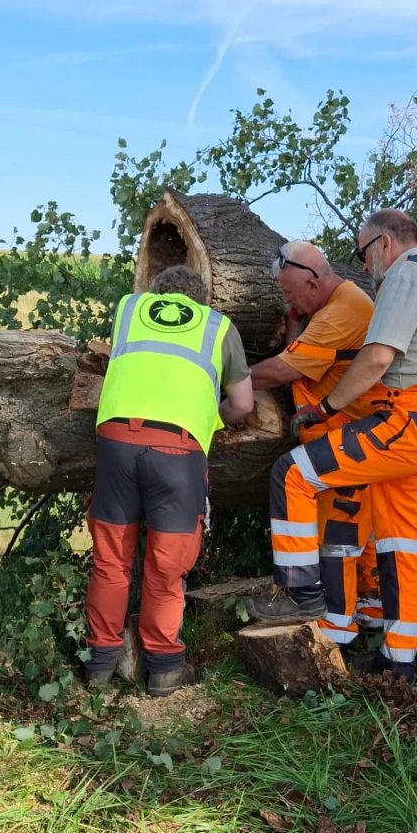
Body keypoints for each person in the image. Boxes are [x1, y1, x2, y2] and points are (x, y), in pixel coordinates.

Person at [263, 209, 417, 682]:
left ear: (383, 243)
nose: (364, 266)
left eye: (363, 254)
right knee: (402, 545)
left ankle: (299, 593)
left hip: (404, 420)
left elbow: (378, 356)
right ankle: (398, 664)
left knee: (294, 473)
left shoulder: (406, 273)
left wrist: (327, 409)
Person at [84, 265, 254, 696]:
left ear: (157, 294)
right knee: (166, 565)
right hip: (178, 454)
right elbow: (244, 404)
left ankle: (100, 665)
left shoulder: (128, 309)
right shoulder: (217, 327)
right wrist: (210, 417)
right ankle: (163, 669)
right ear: (202, 301)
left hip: (117, 442)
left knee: (110, 560)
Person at [245, 242, 384, 642]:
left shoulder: (340, 314)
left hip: (347, 438)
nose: (287, 301)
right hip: (351, 435)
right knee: (353, 537)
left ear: (312, 281)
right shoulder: (331, 305)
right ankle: (367, 614)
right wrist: (295, 314)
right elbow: (297, 350)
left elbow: (281, 370)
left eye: (290, 293)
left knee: (333, 535)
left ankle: (320, 616)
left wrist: (227, 378)